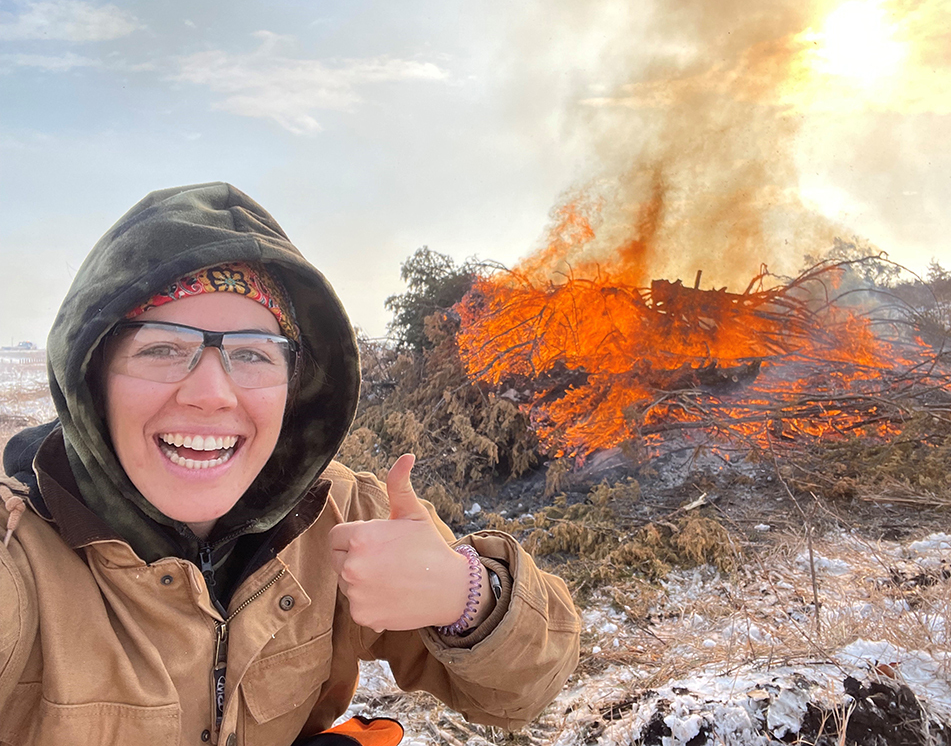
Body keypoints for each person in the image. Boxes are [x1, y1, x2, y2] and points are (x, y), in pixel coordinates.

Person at [0, 183, 580, 745]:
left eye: (252, 354)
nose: (212, 393)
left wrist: (466, 594)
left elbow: (524, 691)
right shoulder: (19, 553)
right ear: (91, 375)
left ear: (293, 385)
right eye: (161, 348)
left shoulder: (341, 513)